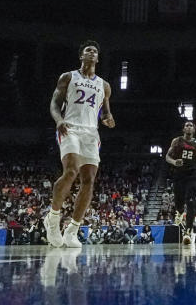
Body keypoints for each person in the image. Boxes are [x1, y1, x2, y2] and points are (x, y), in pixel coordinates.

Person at [43, 40, 116, 249]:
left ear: (98, 58)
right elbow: (55, 104)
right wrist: (59, 121)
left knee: (89, 180)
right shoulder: (68, 77)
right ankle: (53, 218)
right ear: (81, 56)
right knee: (71, 171)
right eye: (88, 50)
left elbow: (106, 111)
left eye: (95, 51)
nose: (92, 52)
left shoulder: (104, 85)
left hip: (91, 133)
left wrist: (108, 119)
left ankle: (73, 230)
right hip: (70, 128)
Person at [165, 121, 196, 245]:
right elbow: (167, 157)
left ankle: (188, 232)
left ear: (194, 129)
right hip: (179, 175)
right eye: (187, 125)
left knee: (191, 203)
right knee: (179, 202)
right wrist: (174, 162)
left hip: (193, 176)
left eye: (191, 125)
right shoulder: (177, 141)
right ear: (183, 129)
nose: (189, 127)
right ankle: (179, 212)